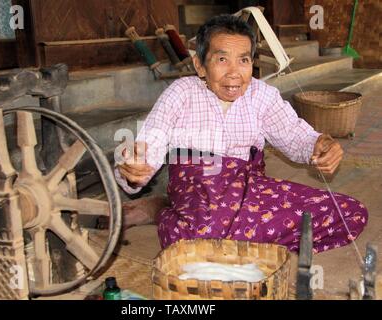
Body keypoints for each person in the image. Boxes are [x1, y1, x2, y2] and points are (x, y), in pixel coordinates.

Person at [115, 14, 367, 253]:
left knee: (350, 213)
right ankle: (161, 209)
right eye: (222, 60)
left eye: (244, 60)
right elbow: (149, 141)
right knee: (202, 233)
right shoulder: (181, 93)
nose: (234, 72)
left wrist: (320, 144)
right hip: (197, 190)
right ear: (200, 65)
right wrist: (136, 166)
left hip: (250, 190)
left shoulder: (262, 96)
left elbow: (294, 135)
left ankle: (237, 237)